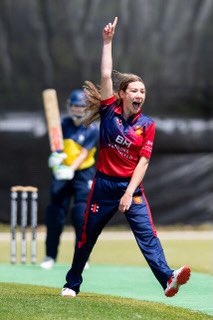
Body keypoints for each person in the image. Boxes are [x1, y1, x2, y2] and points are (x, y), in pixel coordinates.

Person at [61, 17, 191, 297]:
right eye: (134, 90)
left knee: (148, 236)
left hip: (129, 188)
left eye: (143, 91)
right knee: (86, 237)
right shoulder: (109, 111)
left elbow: (143, 162)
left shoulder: (148, 125)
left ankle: (168, 278)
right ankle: (72, 284)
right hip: (103, 186)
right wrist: (107, 42)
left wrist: (128, 193)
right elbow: (107, 75)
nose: (139, 95)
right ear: (122, 95)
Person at [40, 89, 99, 269]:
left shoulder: (92, 128)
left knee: (81, 216)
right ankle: (50, 256)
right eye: (75, 105)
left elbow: (83, 154)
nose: (78, 109)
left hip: (83, 173)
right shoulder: (62, 124)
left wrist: (71, 169)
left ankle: (82, 258)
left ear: (87, 108)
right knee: (55, 214)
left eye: (82, 106)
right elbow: (56, 148)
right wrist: (56, 163)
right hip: (63, 173)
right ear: (69, 106)